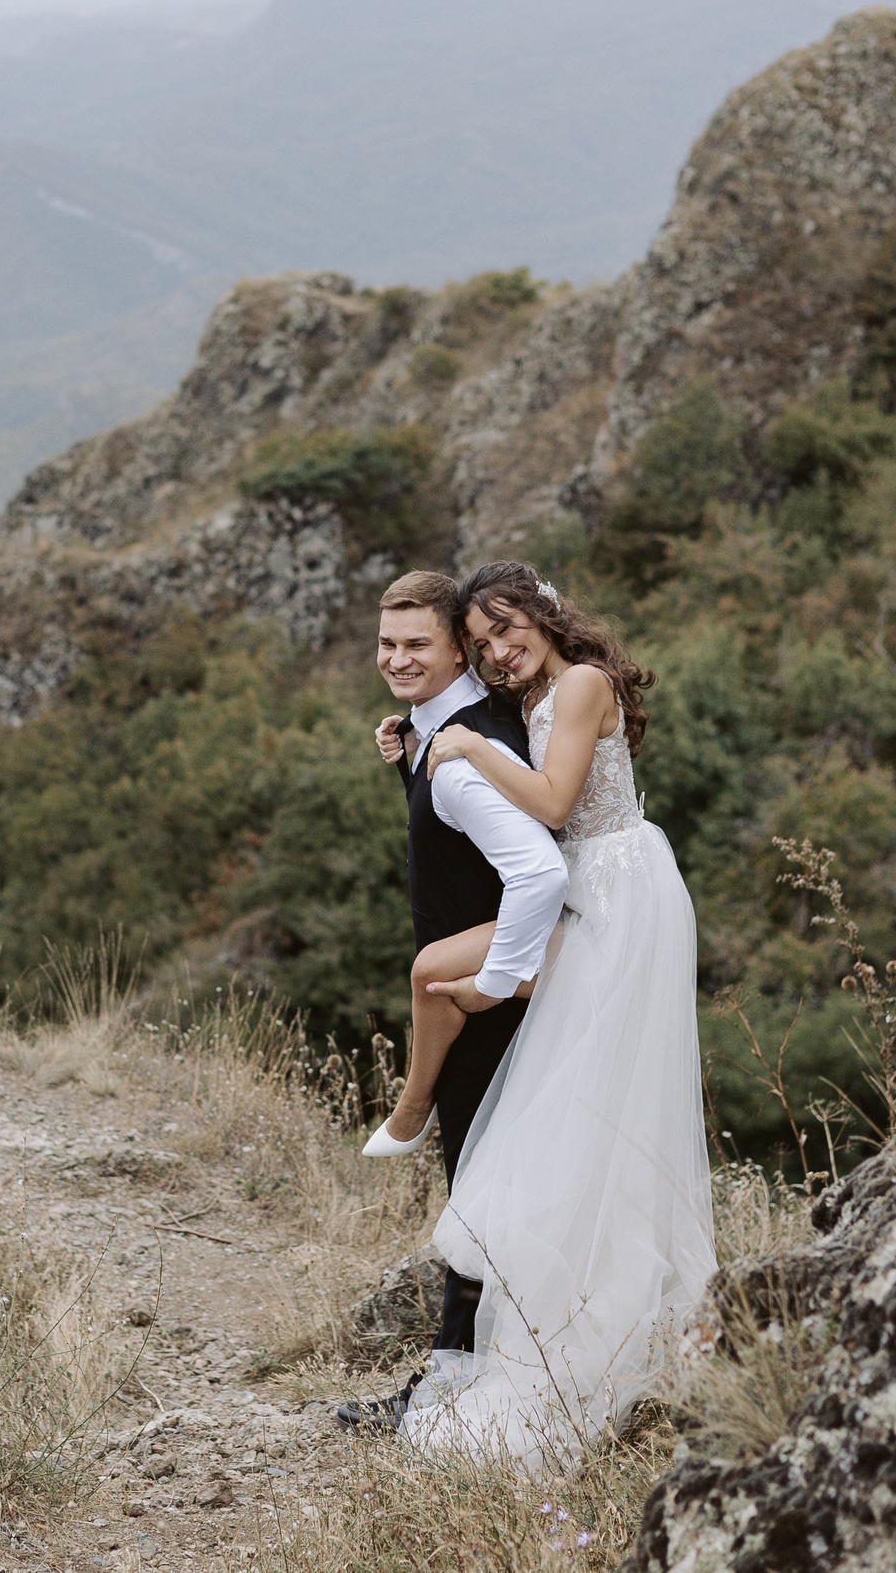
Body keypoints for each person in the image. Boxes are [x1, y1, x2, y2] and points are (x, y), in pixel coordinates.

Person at [397, 560, 715, 1465]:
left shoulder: (579, 681)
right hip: (595, 887)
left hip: (618, 886)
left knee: (588, 1089)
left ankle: (609, 1320)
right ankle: (567, 1306)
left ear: (544, 612)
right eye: (485, 641)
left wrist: (467, 749)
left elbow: (552, 803)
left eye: (508, 629)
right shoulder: (541, 692)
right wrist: (415, 742)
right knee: (577, 1091)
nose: (499, 651)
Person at [331, 571, 568, 1435]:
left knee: (478, 1199)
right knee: (488, 1194)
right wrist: (410, 756)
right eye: (387, 644)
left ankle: (449, 1397)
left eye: (416, 645)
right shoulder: (446, 733)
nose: (396, 659)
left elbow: (537, 872)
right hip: (495, 995)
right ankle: (474, 1379)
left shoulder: (467, 752)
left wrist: (493, 981)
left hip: (489, 1008)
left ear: (459, 650)